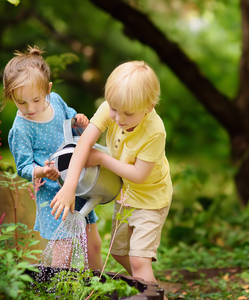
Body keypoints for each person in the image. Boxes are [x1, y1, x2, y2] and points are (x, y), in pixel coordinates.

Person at [50, 61, 172, 288]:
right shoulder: (113, 108)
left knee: (138, 259)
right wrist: (69, 187)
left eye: (127, 113)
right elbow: (85, 143)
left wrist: (103, 159)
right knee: (118, 253)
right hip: (126, 196)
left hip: (151, 200)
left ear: (149, 106)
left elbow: (138, 175)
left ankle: (149, 291)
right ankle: (150, 288)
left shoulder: (155, 132)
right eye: (114, 109)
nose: (118, 118)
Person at [0, 45, 103, 270]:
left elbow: (71, 123)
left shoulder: (55, 100)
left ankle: (97, 287)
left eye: (36, 99)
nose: (30, 108)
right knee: (62, 254)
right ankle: (56, 292)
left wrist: (80, 122)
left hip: (77, 184)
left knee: (92, 245)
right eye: (21, 102)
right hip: (53, 196)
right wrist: (42, 171)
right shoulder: (21, 129)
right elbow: (24, 167)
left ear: (48, 89)